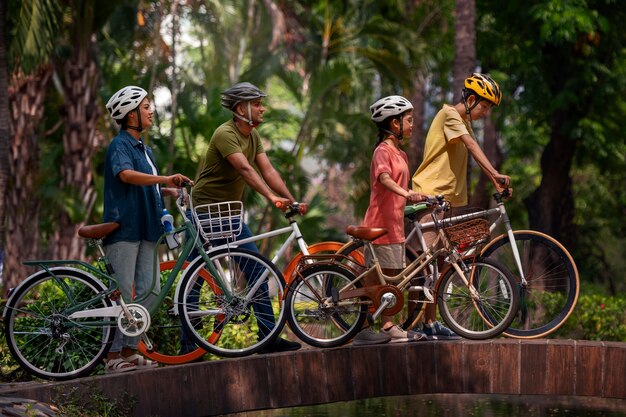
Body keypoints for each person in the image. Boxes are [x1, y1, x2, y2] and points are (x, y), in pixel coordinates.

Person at [191, 81, 306, 354]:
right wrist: (270, 198)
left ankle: (267, 338)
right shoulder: (225, 133)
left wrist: (289, 199)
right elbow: (244, 168)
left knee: (256, 271)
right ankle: (188, 346)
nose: (262, 108)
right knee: (195, 278)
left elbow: (267, 170)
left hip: (230, 214)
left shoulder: (252, 137)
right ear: (241, 108)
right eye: (257, 104)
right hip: (206, 212)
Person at [411, 72, 511, 339]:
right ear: (469, 99)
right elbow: (472, 146)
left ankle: (430, 324)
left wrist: (495, 180)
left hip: (445, 200)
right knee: (429, 264)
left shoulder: (460, 121)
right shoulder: (449, 115)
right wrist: (495, 174)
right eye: (484, 106)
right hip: (430, 195)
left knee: (439, 263)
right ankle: (418, 324)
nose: (486, 113)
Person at [103, 86, 193, 373]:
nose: (151, 111)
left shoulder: (145, 149)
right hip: (125, 228)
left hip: (148, 228)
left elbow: (147, 185)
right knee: (124, 297)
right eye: (145, 107)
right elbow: (126, 175)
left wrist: (168, 189)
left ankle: (130, 352)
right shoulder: (120, 146)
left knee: (151, 291)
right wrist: (165, 176)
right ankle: (112, 356)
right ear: (131, 115)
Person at [352, 95, 429, 345]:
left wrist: (424, 199)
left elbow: (399, 194)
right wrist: (407, 192)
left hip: (395, 228)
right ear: (394, 124)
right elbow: (384, 179)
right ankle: (373, 327)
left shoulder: (402, 155)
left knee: (391, 283)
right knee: (379, 282)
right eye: (409, 120)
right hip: (378, 226)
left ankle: (382, 326)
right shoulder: (382, 151)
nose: (412, 124)